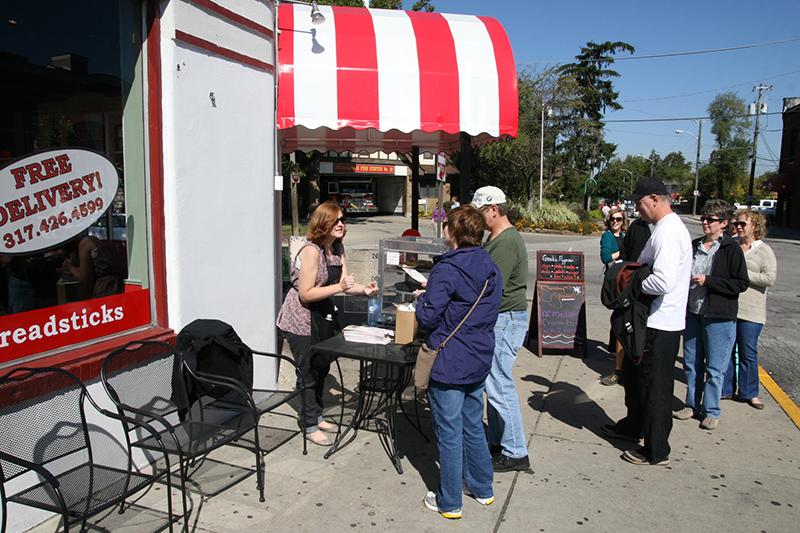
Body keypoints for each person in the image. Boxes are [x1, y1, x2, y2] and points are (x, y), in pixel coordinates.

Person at [415, 206, 502, 519]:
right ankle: (483, 488)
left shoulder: (447, 268)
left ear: (453, 232)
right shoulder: (489, 265)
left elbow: (427, 317)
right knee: (472, 426)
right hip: (478, 357)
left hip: (450, 360)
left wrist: (422, 298)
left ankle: (449, 501)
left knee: (449, 433)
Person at [601, 177, 692, 466]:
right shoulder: (666, 228)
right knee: (638, 380)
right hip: (656, 321)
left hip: (659, 323)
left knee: (655, 386)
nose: (637, 210)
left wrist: (633, 284)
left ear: (655, 198)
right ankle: (633, 427)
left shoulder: (667, 232)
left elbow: (662, 280)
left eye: (639, 203)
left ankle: (656, 449)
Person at [276, 201, 378, 447]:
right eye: (336, 220)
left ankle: (318, 414)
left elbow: (345, 284)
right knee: (307, 371)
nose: (341, 224)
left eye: (343, 219)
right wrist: (339, 288)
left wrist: (364, 289)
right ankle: (309, 423)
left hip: (323, 315)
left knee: (322, 367)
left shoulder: (338, 248)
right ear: (324, 223)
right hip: (300, 319)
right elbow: (305, 294)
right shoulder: (311, 251)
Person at [673, 200, 748, 430]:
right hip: (694, 313)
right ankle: (692, 405)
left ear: (724, 223)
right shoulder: (695, 245)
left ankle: (712, 410)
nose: (705, 222)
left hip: (719, 316)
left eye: (710, 220)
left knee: (715, 367)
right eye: (704, 218)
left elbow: (741, 283)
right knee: (692, 363)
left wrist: (709, 281)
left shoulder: (730, 248)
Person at [471, 185, 531, 472]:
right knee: (493, 383)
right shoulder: (496, 238)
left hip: (506, 318)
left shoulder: (505, 242)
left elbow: (492, 287)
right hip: (503, 318)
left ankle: (516, 450)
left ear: (493, 209)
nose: (478, 221)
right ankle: (499, 440)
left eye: (480, 213)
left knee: (499, 383)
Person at [721, 209, 776, 410]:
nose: (739, 227)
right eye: (738, 223)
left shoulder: (764, 250)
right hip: (730, 307)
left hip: (752, 311)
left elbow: (769, 278)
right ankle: (726, 389)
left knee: (747, 351)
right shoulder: (732, 246)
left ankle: (749, 392)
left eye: (744, 224)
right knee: (726, 350)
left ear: (756, 227)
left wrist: (743, 274)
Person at [599, 208, 628, 386]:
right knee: (618, 314)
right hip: (614, 278)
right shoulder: (608, 237)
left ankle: (613, 347)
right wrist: (622, 253)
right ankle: (614, 348)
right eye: (613, 219)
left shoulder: (624, 237)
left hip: (624, 279)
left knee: (621, 313)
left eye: (619, 219)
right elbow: (605, 256)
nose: (616, 222)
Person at [62, 234, 127, 298]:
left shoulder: (85, 243)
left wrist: (70, 268)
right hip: (122, 285)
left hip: (105, 288)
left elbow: (85, 279)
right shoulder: (111, 240)